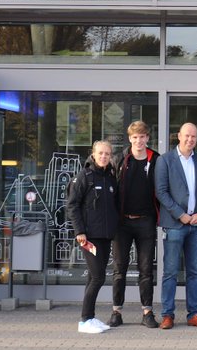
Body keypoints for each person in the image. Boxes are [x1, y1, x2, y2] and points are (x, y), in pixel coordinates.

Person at [154, 122, 197, 330]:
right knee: (170, 271)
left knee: (195, 272)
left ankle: (194, 314)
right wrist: (180, 215)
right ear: (178, 136)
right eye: (187, 136)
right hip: (174, 225)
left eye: (194, 137)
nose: (190, 140)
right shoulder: (165, 160)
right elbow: (161, 192)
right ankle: (167, 315)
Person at [66, 140, 119, 334]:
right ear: (93, 154)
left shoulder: (110, 177)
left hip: (105, 236)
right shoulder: (84, 177)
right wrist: (79, 231)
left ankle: (90, 317)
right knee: (98, 276)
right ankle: (84, 320)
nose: (104, 156)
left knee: (92, 277)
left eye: (107, 153)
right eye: (101, 153)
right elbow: (72, 205)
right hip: (89, 237)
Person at [111, 120, 160, 328]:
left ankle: (147, 312)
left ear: (147, 138)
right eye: (135, 137)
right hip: (122, 223)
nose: (139, 141)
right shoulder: (120, 159)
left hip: (146, 221)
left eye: (142, 137)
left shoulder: (155, 159)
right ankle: (116, 311)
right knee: (119, 269)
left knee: (146, 269)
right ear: (130, 139)